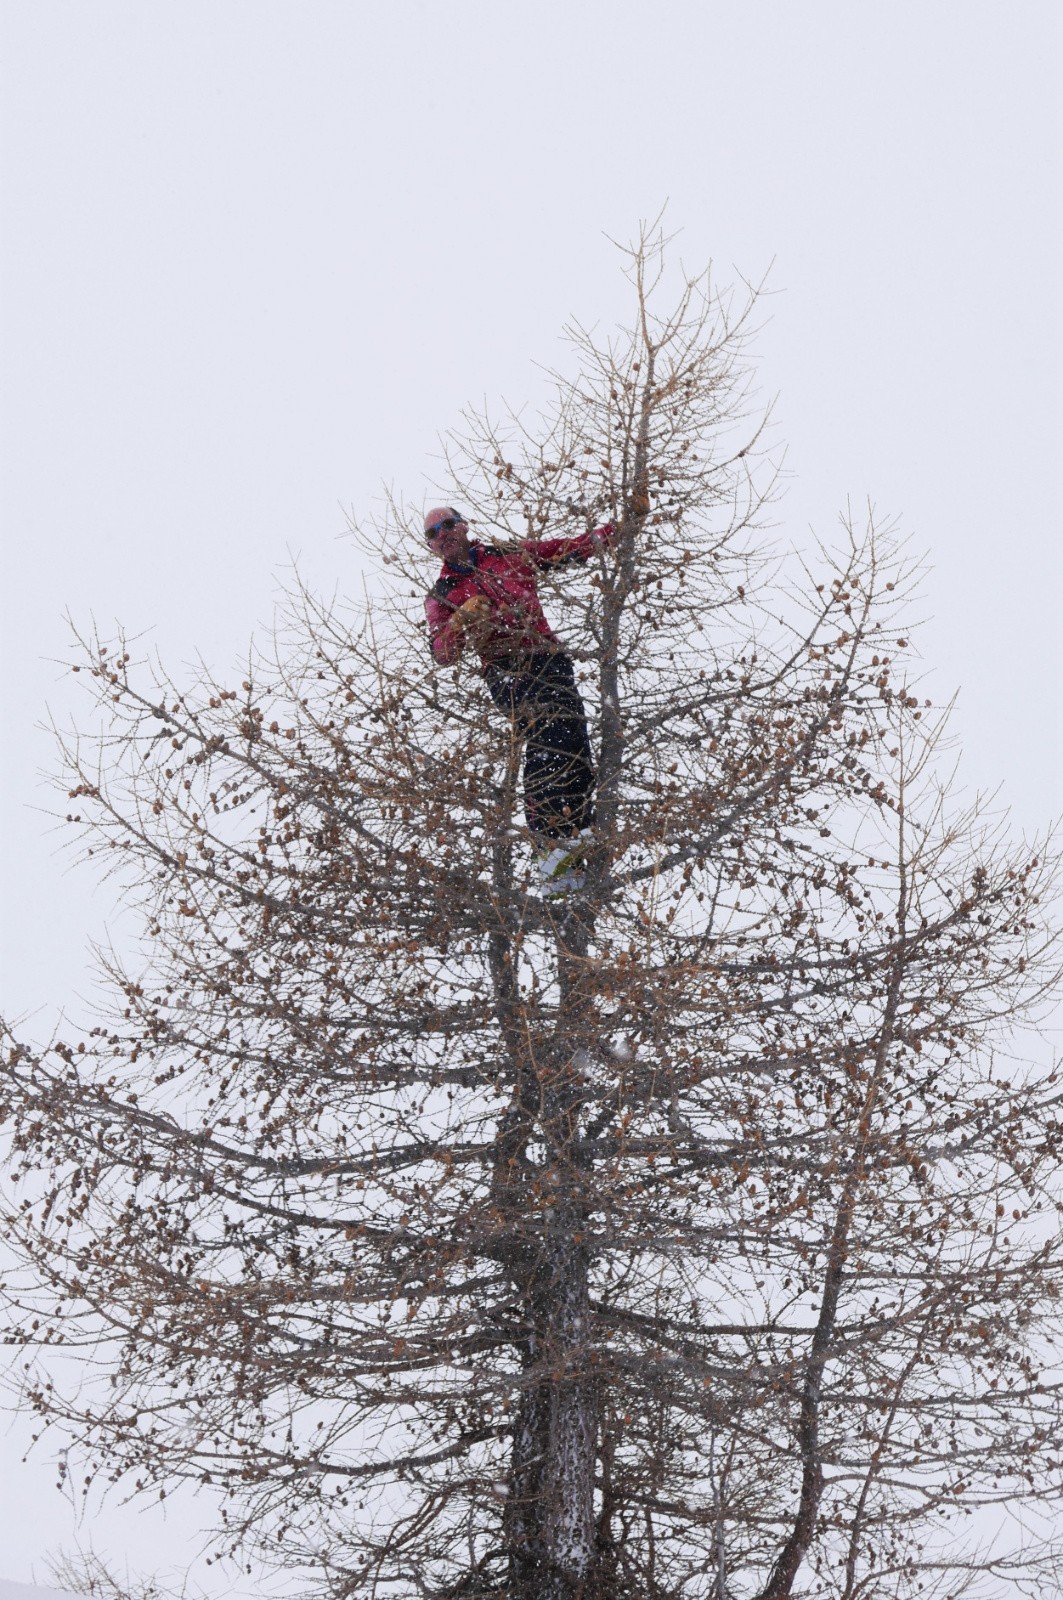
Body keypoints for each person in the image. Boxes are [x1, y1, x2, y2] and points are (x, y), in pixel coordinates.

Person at [422, 506, 614, 891]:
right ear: (432, 547)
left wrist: (622, 527)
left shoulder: (507, 554)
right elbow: (441, 651)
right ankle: (549, 841)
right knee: (547, 736)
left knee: (574, 738)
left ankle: (579, 832)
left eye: (446, 526)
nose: (441, 535)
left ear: (463, 525)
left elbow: (569, 550)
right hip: (507, 669)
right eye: (432, 534)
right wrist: (460, 622)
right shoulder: (442, 593)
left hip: (548, 658)